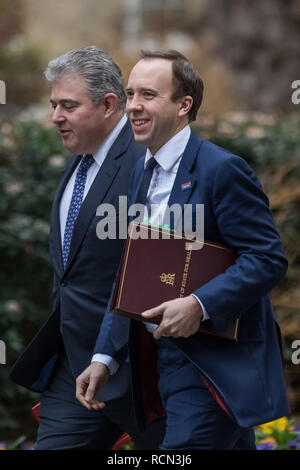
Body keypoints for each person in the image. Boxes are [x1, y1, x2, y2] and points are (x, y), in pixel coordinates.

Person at [76, 49, 291, 450]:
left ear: (183, 105)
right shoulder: (141, 171)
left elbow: (266, 258)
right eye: (130, 94)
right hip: (158, 368)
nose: (134, 106)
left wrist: (198, 304)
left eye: (148, 95)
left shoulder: (221, 169)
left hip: (211, 368)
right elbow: (132, 274)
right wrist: (104, 357)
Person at [10, 46, 165, 450]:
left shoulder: (146, 162)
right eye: (53, 105)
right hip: (73, 368)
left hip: (144, 371)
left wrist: (110, 355)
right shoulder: (79, 157)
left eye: (67, 105)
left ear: (109, 104)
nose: (55, 116)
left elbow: (159, 268)